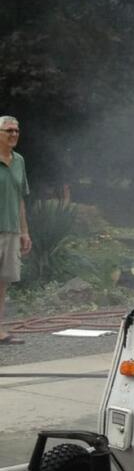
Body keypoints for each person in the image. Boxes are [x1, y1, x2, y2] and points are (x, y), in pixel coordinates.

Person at [0, 115, 32, 345]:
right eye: (8, 131)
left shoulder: (19, 160)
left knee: (3, 282)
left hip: (10, 229)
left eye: (16, 131)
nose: (13, 134)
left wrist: (24, 231)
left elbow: (21, 198)